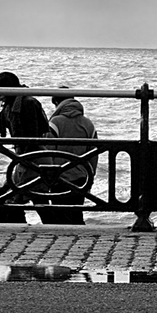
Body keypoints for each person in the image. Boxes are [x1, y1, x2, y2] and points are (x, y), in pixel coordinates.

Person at [0, 71, 50, 223]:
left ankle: (53, 229)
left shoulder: (27, 103)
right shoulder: (11, 106)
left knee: (34, 199)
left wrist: (23, 161)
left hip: (33, 159)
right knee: (31, 200)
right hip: (25, 159)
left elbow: (34, 135)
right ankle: (29, 227)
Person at [41, 87, 98, 225]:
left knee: (61, 214)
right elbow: (94, 155)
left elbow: (48, 151)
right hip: (81, 178)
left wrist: (48, 177)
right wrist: (90, 177)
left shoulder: (55, 123)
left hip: (59, 177)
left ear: (56, 102)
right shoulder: (88, 124)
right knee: (77, 213)